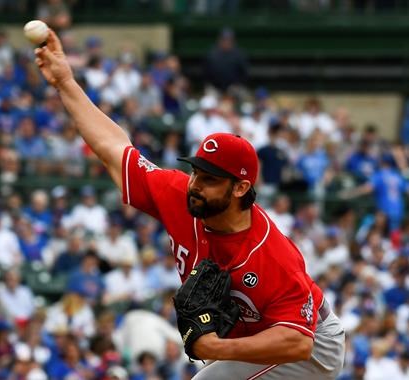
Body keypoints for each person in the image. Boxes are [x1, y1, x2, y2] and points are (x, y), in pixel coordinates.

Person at [33, 29, 345, 378]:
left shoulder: (270, 253)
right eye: (196, 172)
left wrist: (216, 348)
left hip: (310, 347)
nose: (195, 185)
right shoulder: (179, 194)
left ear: (241, 187)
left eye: (210, 179)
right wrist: (65, 82)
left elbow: (296, 342)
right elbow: (112, 147)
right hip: (258, 341)